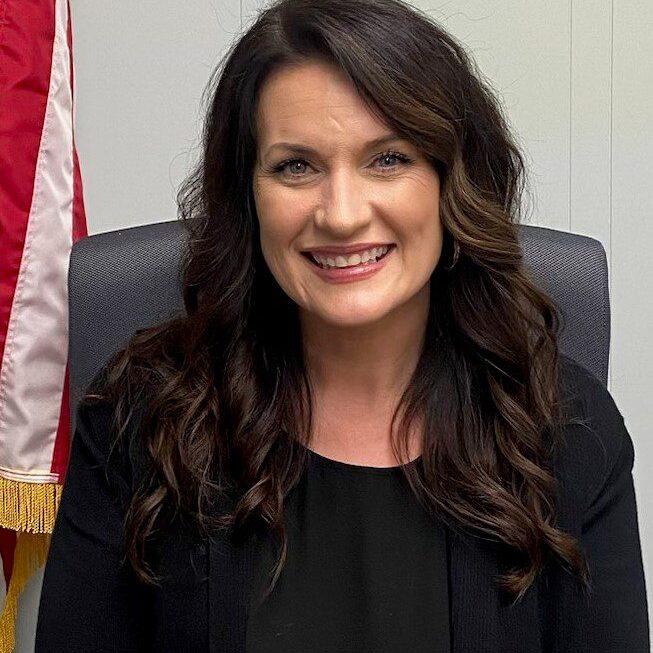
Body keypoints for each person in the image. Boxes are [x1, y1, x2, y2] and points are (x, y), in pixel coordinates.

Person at [34, 0, 649, 651]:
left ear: (450, 183)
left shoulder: (564, 429)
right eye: (295, 165)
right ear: (248, 198)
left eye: (386, 159)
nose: (342, 213)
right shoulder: (141, 418)